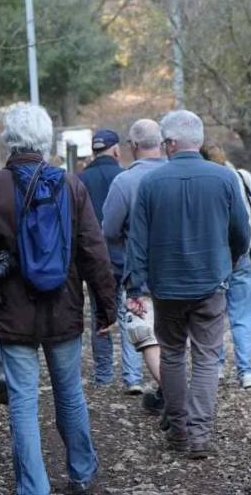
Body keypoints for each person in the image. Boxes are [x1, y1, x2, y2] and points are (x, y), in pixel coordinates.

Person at [0, 103, 118, 495]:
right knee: (70, 393)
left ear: (9, 140)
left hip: (12, 311)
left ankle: (34, 487)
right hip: (62, 307)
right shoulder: (71, 185)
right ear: (45, 140)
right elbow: (93, 251)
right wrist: (106, 307)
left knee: (23, 402)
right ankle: (81, 472)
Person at [126, 110, 251, 460]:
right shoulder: (224, 179)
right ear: (197, 140)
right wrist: (231, 261)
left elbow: (137, 241)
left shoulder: (150, 184)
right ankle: (199, 434)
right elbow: (241, 232)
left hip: (166, 287)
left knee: (173, 355)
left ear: (171, 143)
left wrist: (136, 287)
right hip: (211, 282)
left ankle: (179, 431)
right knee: (207, 358)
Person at [101, 119, 167, 413]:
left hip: (141, 272)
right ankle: (177, 392)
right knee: (176, 335)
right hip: (182, 270)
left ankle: (173, 394)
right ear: (163, 143)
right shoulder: (175, 174)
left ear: (133, 146)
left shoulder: (125, 181)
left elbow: (109, 230)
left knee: (146, 335)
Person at [80, 129, 142, 393]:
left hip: (95, 260)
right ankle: (133, 377)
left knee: (100, 316)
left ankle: (104, 375)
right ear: (116, 150)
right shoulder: (125, 177)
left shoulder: (80, 179)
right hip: (125, 258)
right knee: (131, 313)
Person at [199, 143, 251, 389]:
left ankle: (218, 367)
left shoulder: (204, 182)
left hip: (215, 256)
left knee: (215, 314)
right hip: (243, 252)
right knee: (242, 315)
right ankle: (246, 372)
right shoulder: (242, 177)